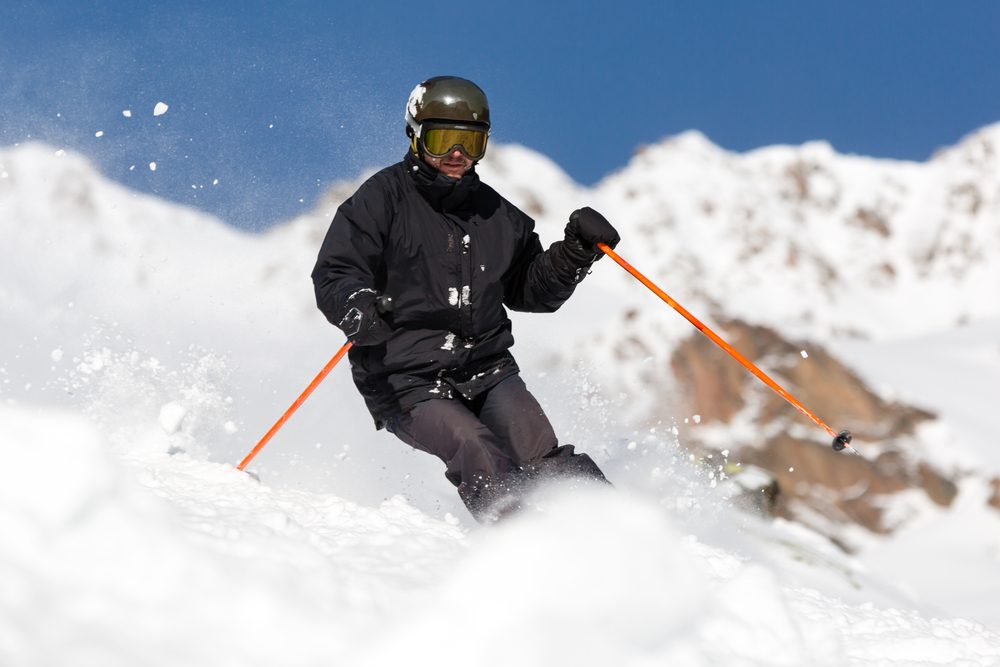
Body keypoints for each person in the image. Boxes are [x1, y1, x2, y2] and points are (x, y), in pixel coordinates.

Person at [311, 75, 621, 521]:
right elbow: (337, 271)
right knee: (476, 448)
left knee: (541, 455)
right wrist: (356, 305)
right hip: (406, 379)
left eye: (470, 142)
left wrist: (574, 254)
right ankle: (521, 539)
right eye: (442, 140)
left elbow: (530, 291)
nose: (456, 154)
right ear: (415, 136)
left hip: (488, 370)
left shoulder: (498, 215)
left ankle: (613, 528)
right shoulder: (380, 200)